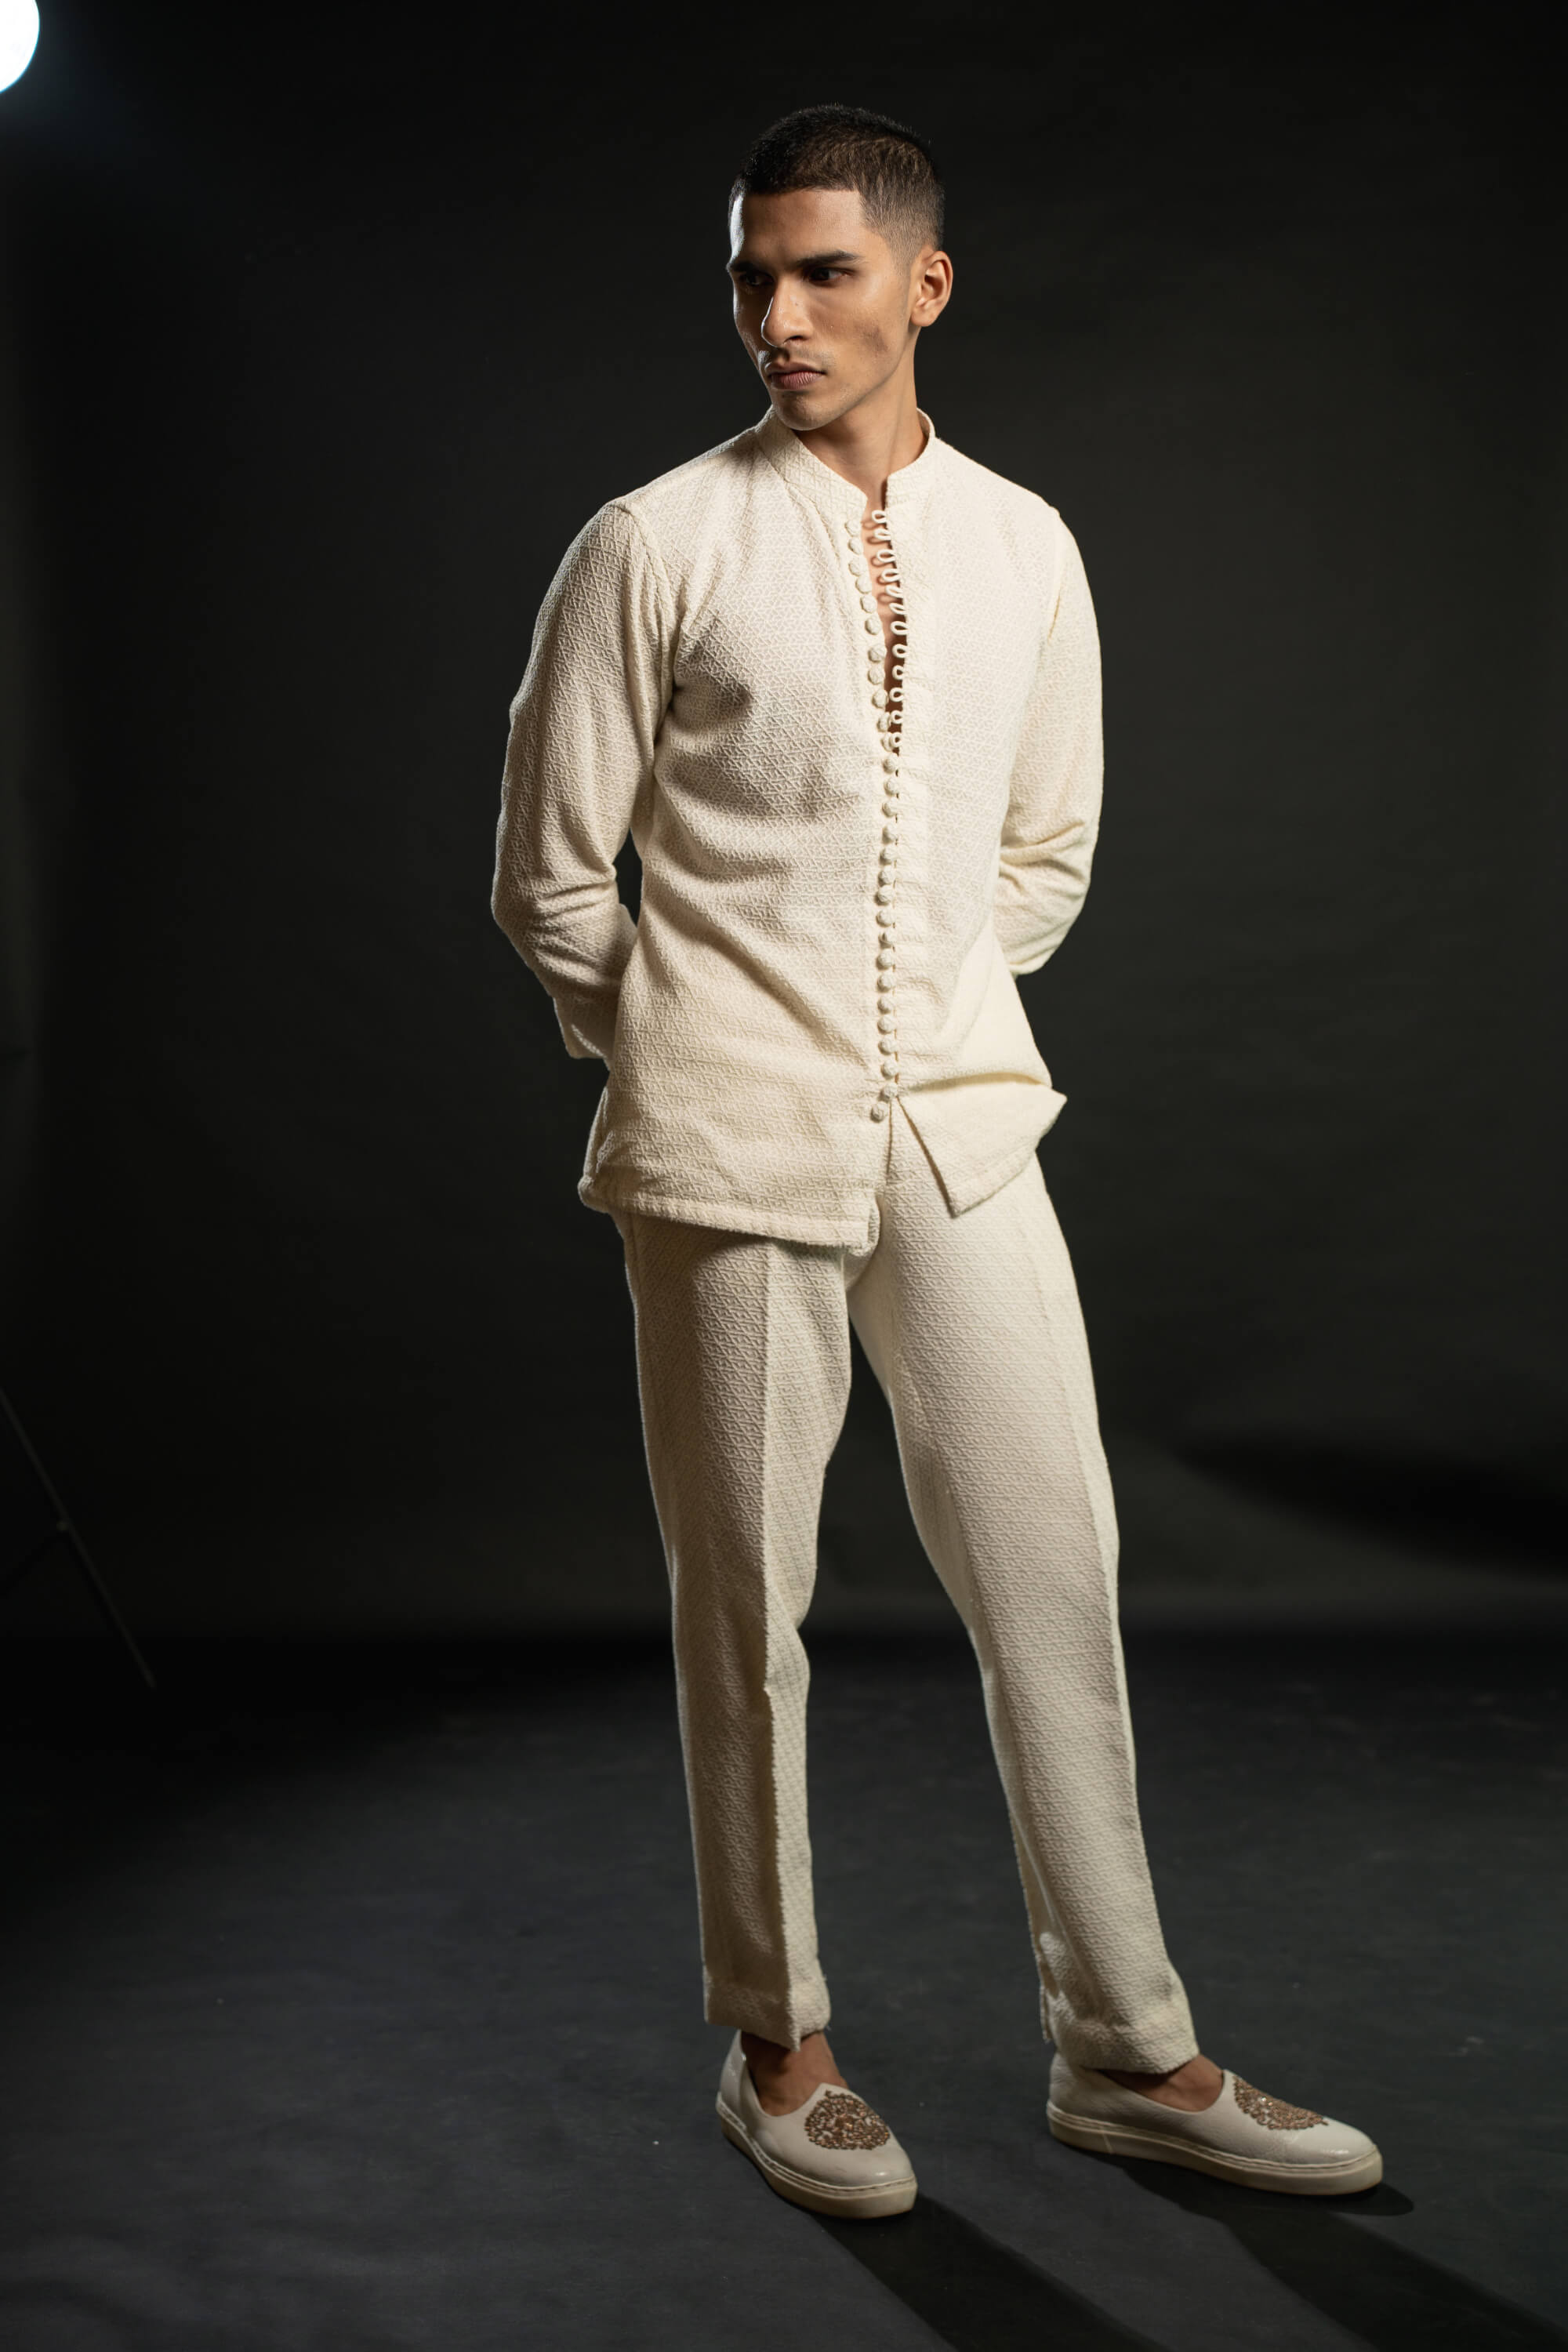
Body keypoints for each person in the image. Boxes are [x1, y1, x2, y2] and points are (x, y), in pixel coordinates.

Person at [492, 103, 1381, 2216]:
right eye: (751, 276)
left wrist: (922, 1013)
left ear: (925, 284)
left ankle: (1128, 2047)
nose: (779, 316)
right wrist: (702, 1045)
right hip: (726, 1148)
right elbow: (551, 881)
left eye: (822, 272)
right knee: (748, 1605)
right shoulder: (651, 541)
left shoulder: (1026, 545)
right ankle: (778, 2042)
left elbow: (1046, 852)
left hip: (964, 1127)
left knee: (1054, 1570)